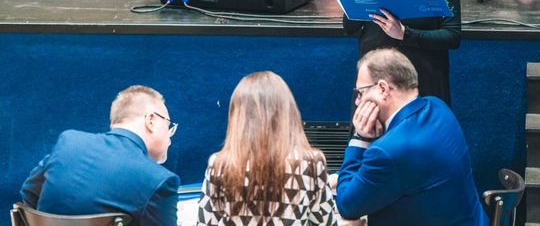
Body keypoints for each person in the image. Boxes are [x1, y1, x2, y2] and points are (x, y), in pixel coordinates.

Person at [335, 48, 488, 225]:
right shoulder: (438, 106)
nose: (358, 102)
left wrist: (360, 138)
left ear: (383, 89)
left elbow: (347, 206)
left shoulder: (387, 152)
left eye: (361, 92)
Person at [20, 85, 180, 226]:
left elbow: (29, 192)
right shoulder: (159, 180)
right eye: (168, 125)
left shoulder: (69, 142)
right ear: (151, 120)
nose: (169, 137)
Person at [197, 71, 338, 226]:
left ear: (237, 117)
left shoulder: (219, 165)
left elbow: (204, 223)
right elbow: (326, 223)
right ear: (287, 112)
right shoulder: (311, 164)